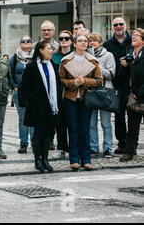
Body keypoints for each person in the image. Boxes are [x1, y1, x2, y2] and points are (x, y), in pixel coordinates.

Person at [60, 34, 103, 171]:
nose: (83, 43)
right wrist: (74, 82)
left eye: (86, 41)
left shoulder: (93, 61)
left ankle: (86, 159)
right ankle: (74, 159)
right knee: (73, 129)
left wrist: (85, 81)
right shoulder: (66, 61)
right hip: (70, 98)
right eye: (80, 41)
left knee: (85, 129)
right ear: (74, 44)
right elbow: (62, 80)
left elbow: (99, 80)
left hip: (86, 99)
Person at [21, 41, 63, 172]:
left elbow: (58, 86)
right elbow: (25, 88)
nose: (51, 51)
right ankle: (37, 160)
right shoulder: (31, 67)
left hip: (51, 107)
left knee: (48, 134)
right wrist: (34, 100)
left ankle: (45, 159)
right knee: (38, 134)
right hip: (37, 107)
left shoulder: (54, 66)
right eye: (49, 49)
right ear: (41, 50)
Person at [103, 17, 133, 154]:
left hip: (133, 84)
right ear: (112, 27)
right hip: (116, 85)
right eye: (116, 25)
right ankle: (121, 143)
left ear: (125, 25)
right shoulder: (108, 44)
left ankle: (131, 144)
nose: (119, 27)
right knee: (119, 116)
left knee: (133, 116)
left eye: (121, 24)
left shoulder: (133, 41)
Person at [88, 33, 116, 158]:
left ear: (100, 42)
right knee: (91, 124)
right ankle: (93, 147)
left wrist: (97, 64)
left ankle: (107, 149)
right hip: (92, 92)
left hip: (105, 92)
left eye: (95, 40)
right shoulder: (87, 56)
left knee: (105, 123)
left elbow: (110, 75)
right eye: (90, 41)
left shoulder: (108, 55)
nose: (92, 43)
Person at [119, 29, 144, 162]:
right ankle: (130, 151)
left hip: (140, 94)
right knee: (132, 125)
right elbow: (125, 75)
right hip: (133, 95)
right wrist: (124, 65)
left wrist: (139, 93)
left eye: (136, 36)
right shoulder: (130, 52)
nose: (133, 37)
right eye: (132, 36)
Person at [51, 30, 74, 159]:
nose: (64, 40)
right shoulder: (54, 56)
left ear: (71, 40)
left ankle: (73, 147)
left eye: (66, 38)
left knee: (72, 121)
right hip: (57, 91)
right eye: (61, 38)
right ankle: (61, 147)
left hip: (72, 90)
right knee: (59, 122)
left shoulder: (75, 54)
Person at [10, 35, 34, 154]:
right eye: (23, 41)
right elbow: (9, 73)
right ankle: (23, 143)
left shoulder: (35, 57)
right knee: (23, 118)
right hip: (19, 92)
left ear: (31, 44)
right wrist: (13, 86)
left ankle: (34, 142)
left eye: (28, 41)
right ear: (20, 44)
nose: (25, 43)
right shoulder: (14, 58)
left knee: (34, 118)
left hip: (33, 92)